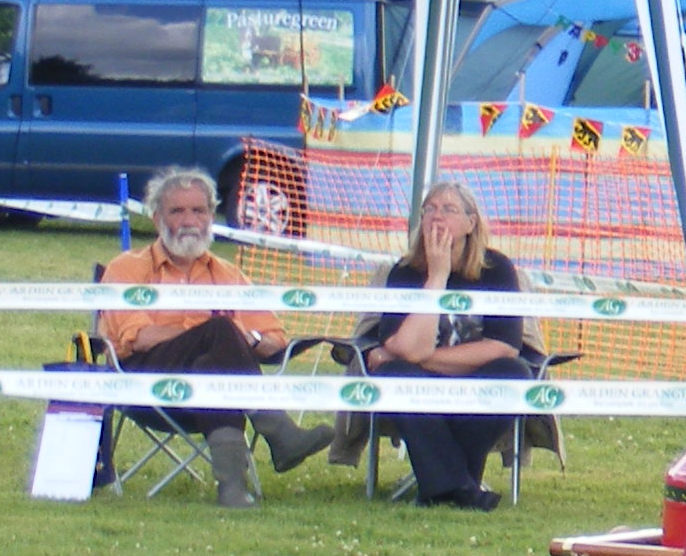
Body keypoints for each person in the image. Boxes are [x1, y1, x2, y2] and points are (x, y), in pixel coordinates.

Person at [96, 168, 331, 508]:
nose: (189, 220)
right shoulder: (127, 268)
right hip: (145, 380)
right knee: (220, 331)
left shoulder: (227, 274)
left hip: (211, 384)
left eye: (199, 210)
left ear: (211, 215)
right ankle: (279, 433)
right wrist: (213, 332)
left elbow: (274, 340)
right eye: (177, 211)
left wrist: (246, 339)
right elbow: (142, 337)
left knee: (218, 363)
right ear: (156, 217)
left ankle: (233, 489)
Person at [358, 179, 536, 510]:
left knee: (512, 372)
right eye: (430, 209)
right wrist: (436, 278)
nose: (437, 217)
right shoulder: (405, 271)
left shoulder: (497, 270)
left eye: (449, 209)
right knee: (396, 374)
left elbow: (502, 347)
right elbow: (403, 347)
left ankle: (441, 485)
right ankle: (464, 488)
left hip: (475, 378)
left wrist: (422, 357)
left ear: (471, 223)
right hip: (422, 385)